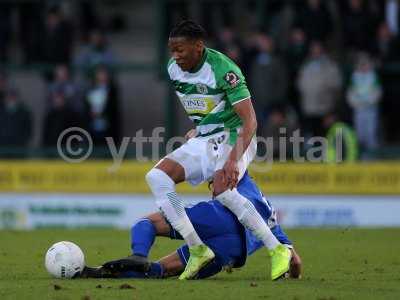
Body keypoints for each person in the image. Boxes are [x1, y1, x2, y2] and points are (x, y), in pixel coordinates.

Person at [145, 20, 291, 281]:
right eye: (172, 50)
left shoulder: (223, 69)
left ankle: (277, 249)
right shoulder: (173, 70)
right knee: (156, 177)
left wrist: (233, 160)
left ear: (198, 47)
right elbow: (204, 107)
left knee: (223, 188)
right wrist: (199, 129)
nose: (175, 56)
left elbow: (250, 121)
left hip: (236, 137)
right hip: (207, 139)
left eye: (180, 50)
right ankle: (197, 249)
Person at [79, 172, 302, 280]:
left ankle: (138, 254)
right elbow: (296, 262)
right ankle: (100, 272)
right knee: (159, 270)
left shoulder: (239, 175)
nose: (212, 188)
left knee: (148, 222)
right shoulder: (272, 220)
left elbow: (221, 154)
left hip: (220, 217)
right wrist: (292, 276)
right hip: (232, 252)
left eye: (211, 184)